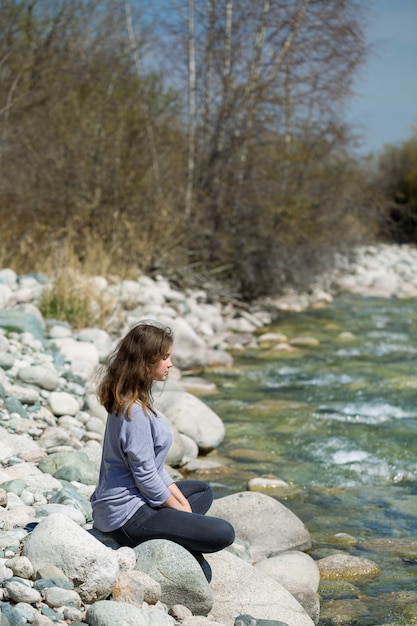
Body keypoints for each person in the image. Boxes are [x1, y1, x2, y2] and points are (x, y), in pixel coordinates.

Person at [91, 320, 235, 582]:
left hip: (136, 501)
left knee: (203, 491)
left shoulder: (135, 399)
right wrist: (181, 512)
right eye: (165, 358)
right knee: (224, 533)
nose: (170, 364)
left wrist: (181, 507)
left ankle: (171, 527)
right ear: (145, 362)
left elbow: (155, 470)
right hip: (126, 516)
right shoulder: (133, 412)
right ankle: (153, 535)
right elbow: (145, 476)